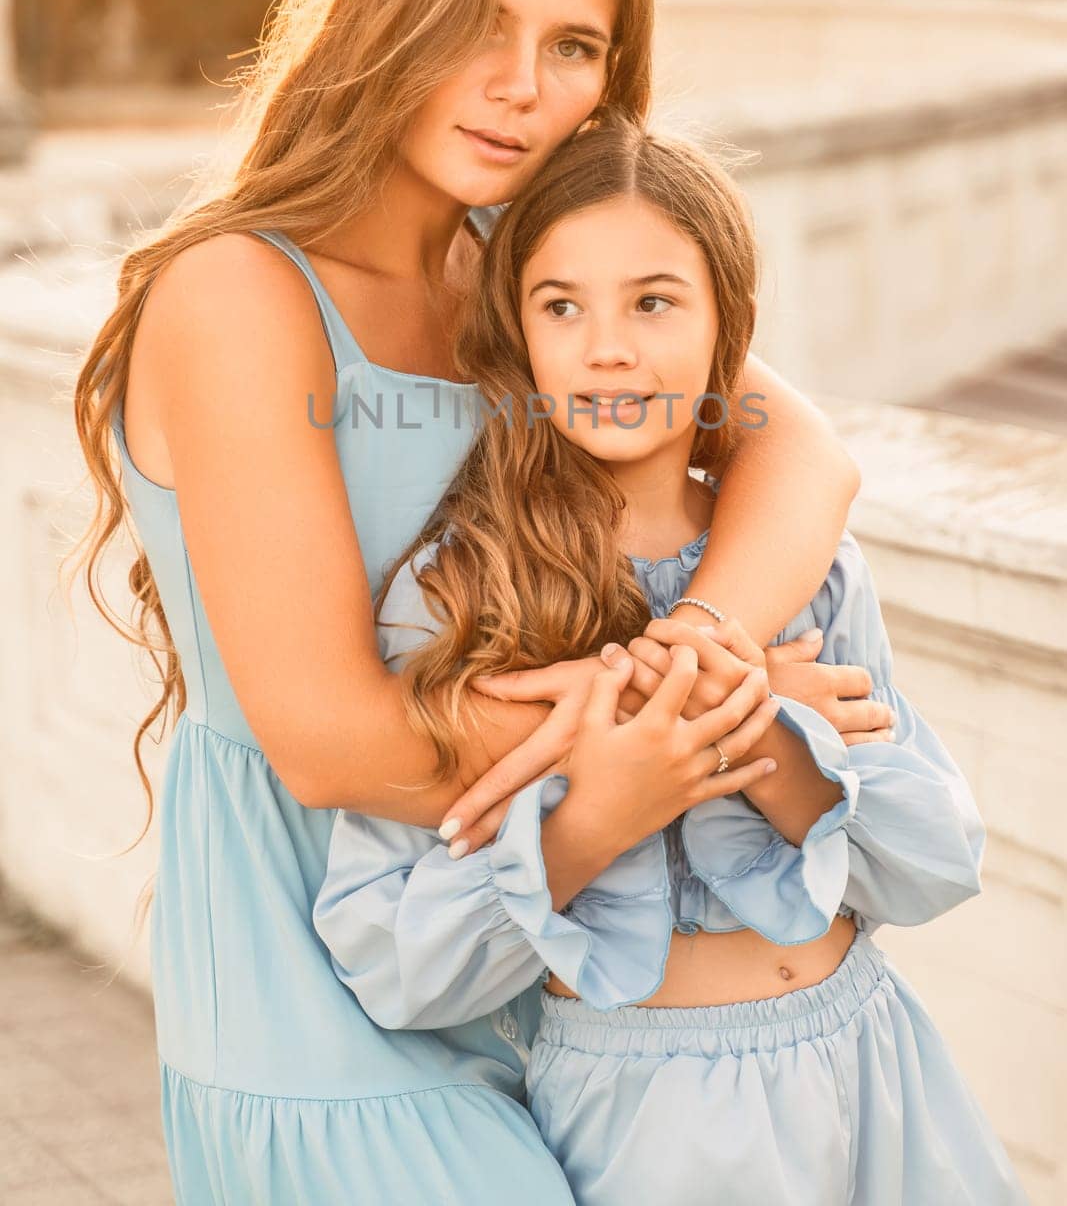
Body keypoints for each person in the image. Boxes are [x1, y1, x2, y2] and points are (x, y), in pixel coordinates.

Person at [72, 0, 871, 1204]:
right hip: (310, 995)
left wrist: (697, 666)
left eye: (574, 47)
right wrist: (671, 728)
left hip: (546, 947)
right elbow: (328, 742)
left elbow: (798, 451)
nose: (519, 87)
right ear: (383, 19)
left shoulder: (526, 267)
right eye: (477, 26)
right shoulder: (241, 296)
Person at [314, 119, 1027, 1205]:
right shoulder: (459, 593)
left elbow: (933, 862)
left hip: (876, 1071)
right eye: (562, 305)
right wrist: (595, 814)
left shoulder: (804, 569)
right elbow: (393, 963)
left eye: (652, 300)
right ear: (517, 334)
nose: (607, 347)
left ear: (722, 323)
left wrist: (760, 732)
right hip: (649, 1124)